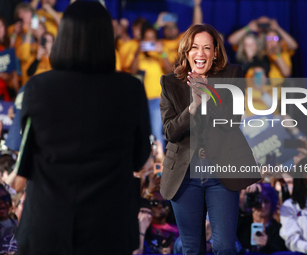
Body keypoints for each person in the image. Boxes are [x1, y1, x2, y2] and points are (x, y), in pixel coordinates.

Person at [15, 2, 151, 254]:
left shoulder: (37, 88)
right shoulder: (130, 89)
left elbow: (27, 157)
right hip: (108, 228)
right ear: (106, 39)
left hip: (47, 225)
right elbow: (140, 159)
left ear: (63, 37)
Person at [159, 23, 261, 255]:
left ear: (216, 52)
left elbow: (231, 120)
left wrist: (208, 97)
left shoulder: (232, 74)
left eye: (207, 48)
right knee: (192, 249)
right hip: (184, 176)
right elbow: (170, 132)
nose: (201, 53)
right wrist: (193, 107)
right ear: (186, 51)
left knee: (225, 247)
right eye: (195, 47)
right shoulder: (170, 82)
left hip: (220, 174)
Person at [237, 183, 287, 254]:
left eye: (266, 201)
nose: (262, 205)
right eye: (258, 201)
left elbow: (282, 250)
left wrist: (267, 245)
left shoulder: (277, 229)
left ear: (272, 203)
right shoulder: (242, 224)